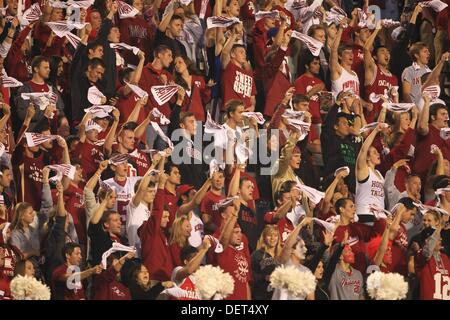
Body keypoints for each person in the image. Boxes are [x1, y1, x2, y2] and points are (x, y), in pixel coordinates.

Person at [251, 225, 282, 300]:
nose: (272, 238)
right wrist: (264, 277)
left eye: (275, 236)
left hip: (279, 295)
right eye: (269, 235)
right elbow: (251, 275)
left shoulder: (282, 255)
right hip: (261, 295)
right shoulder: (257, 254)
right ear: (264, 237)